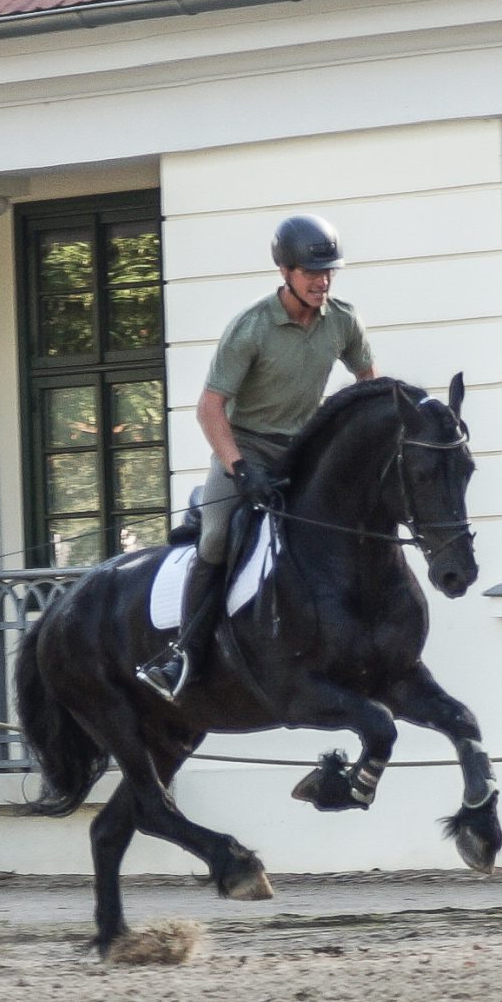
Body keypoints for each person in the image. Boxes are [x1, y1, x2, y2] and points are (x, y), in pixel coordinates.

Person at [137, 212, 376, 699]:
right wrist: (239, 469)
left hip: (303, 449)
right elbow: (209, 409)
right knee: (219, 537)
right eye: (312, 273)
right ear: (285, 272)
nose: (322, 281)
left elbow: (369, 386)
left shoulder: (344, 320)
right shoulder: (250, 328)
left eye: (329, 271)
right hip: (245, 447)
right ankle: (182, 654)